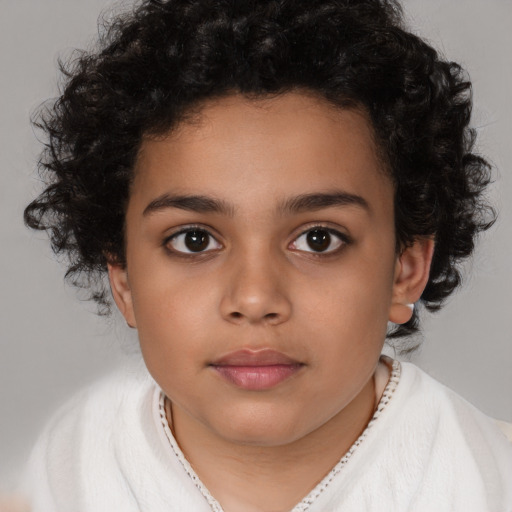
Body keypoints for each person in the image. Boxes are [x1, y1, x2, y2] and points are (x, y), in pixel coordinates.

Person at [18, 0, 512, 510]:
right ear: (122, 280)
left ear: (405, 270)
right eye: (194, 240)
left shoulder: (491, 479)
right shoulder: (50, 486)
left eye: (319, 239)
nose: (255, 299)